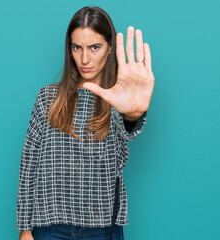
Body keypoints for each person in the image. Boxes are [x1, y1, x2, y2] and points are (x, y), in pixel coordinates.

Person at [17, 6, 155, 240]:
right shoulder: (47, 98)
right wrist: (25, 228)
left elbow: (126, 136)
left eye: (94, 47)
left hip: (101, 227)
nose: (84, 58)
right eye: (77, 47)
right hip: (49, 226)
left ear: (110, 48)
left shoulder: (118, 101)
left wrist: (132, 114)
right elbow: (28, 167)